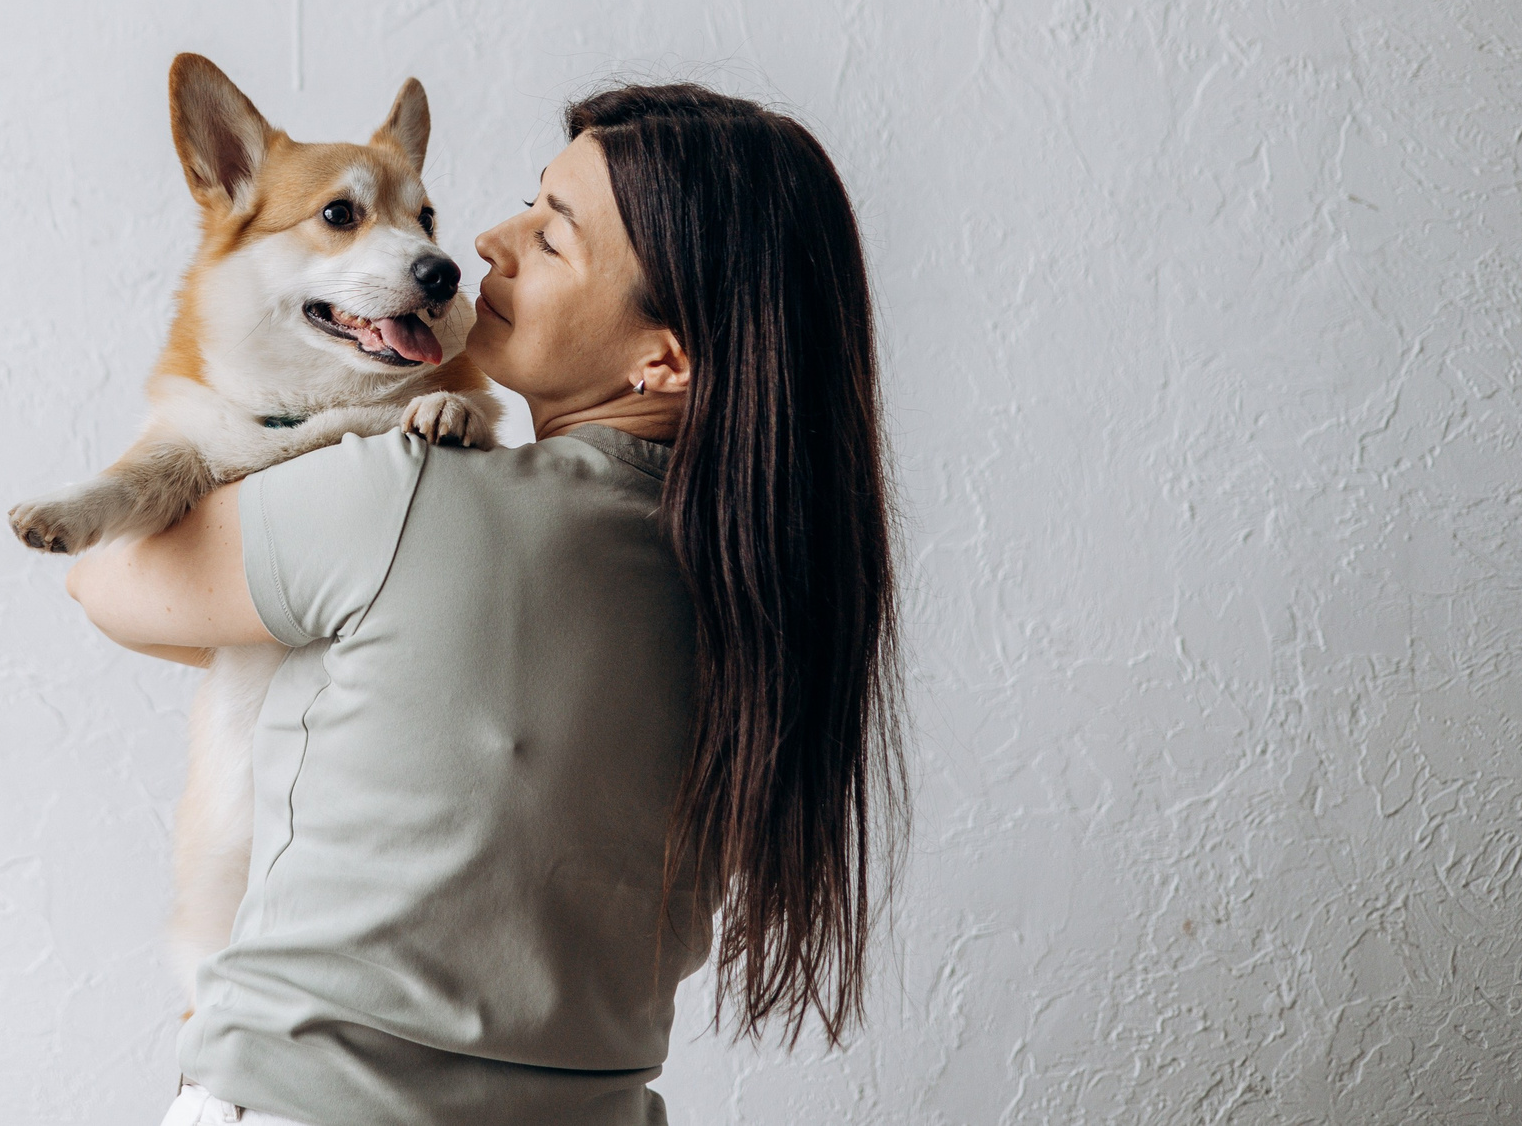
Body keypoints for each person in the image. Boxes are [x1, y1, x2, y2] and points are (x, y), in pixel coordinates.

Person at [66, 83, 907, 1126]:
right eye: (525, 204)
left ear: (665, 358)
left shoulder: (402, 496)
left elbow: (107, 584)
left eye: (553, 238)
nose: (483, 244)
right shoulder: (764, 592)